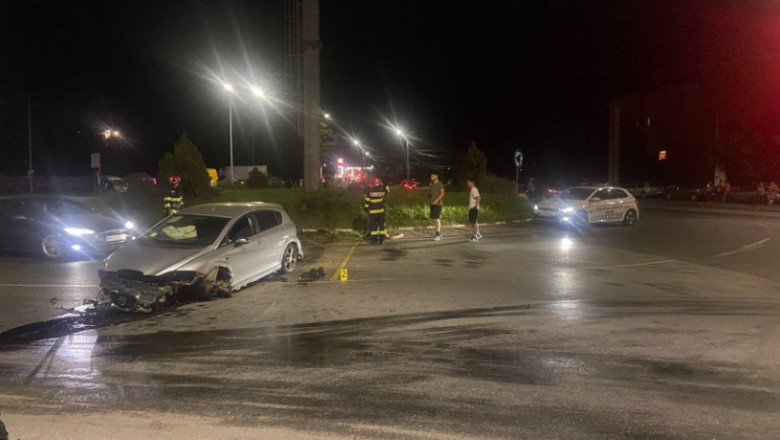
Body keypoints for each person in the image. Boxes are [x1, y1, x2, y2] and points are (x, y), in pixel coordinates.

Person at [364, 177, 389, 244]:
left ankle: (374, 240)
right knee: (381, 225)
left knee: (373, 226)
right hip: (381, 211)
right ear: (379, 183)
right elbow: (387, 190)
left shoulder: (370, 191)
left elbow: (367, 202)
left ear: (373, 183)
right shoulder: (382, 191)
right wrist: (383, 185)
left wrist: (366, 209)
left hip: (373, 212)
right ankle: (382, 240)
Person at [430, 172, 445, 240]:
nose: (431, 177)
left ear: (436, 176)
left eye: (432, 176)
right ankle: (439, 234)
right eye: (431, 176)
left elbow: (442, 193)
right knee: (434, 218)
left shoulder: (440, 184)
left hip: (438, 204)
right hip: (432, 203)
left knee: (437, 218)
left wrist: (436, 200)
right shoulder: (432, 184)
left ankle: (438, 234)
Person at [467, 178, 482, 242]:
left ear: (472, 182)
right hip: (472, 208)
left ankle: (475, 236)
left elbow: (478, 197)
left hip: (473, 208)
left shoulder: (474, 189)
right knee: (474, 222)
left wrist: (475, 206)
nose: (467, 184)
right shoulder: (472, 189)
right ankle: (477, 234)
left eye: (468, 182)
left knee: (473, 222)